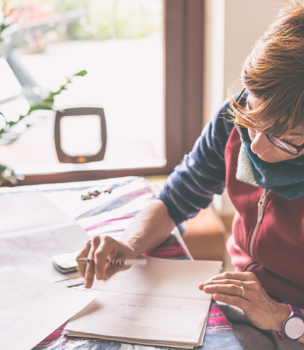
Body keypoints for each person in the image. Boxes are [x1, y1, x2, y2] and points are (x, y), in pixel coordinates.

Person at [77, 1, 304, 346]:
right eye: (252, 119)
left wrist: (280, 316)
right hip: (241, 294)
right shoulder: (236, 120)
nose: (255, 147)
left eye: (285, 141)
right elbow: (177, 196)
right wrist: (130, 243)